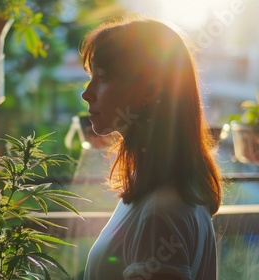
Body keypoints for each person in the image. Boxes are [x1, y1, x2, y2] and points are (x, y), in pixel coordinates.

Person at [80, 16, 222, 280]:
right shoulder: (164, 192)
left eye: (102, 77)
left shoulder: (160, 213)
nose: (87, 93)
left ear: (149, 91)